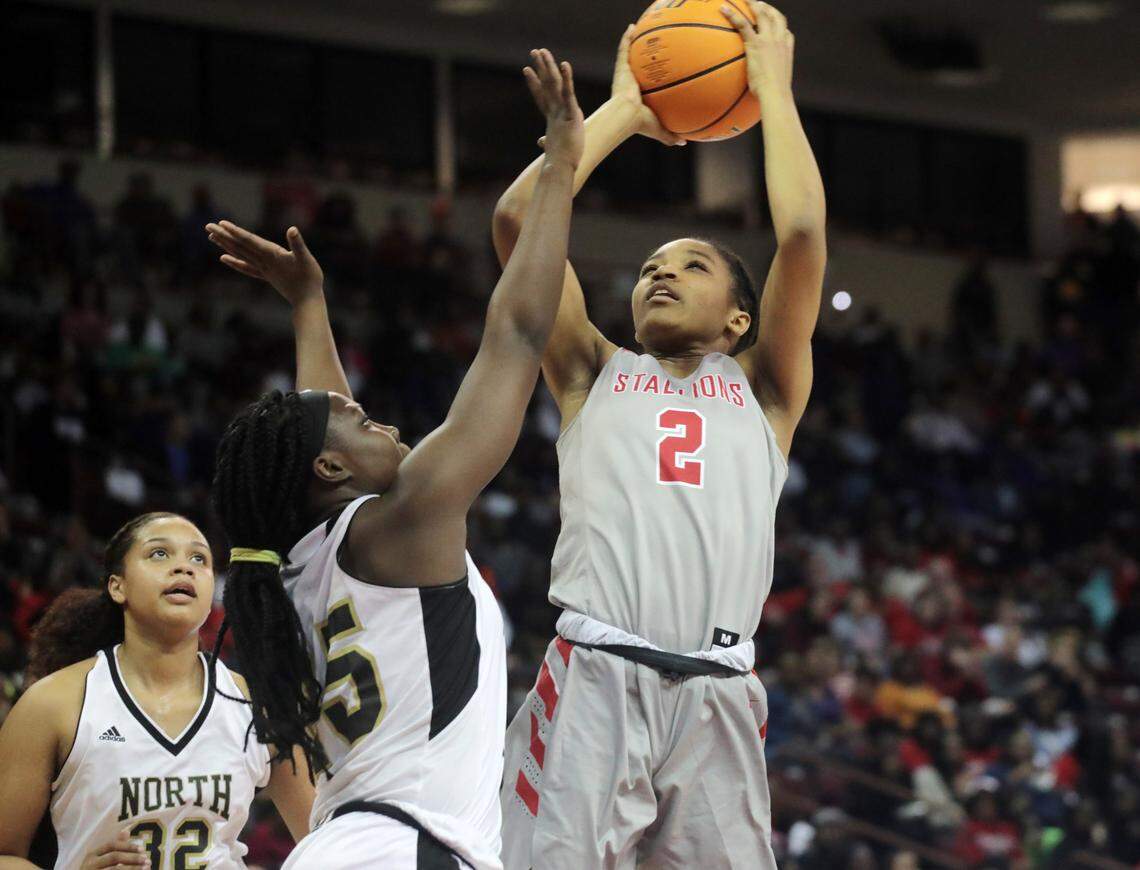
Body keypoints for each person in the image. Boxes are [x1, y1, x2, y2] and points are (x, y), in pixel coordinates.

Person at [203, 50, 583, 870]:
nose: (372, 417)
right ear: (330, 472)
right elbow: (517, 333)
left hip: (348, 846)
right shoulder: (403, 519)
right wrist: (560, 164)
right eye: (356, 417)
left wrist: (311, 308)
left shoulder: (298, 564)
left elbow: (317, 436)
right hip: (406, 850)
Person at [491, 4, 826, 867]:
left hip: (719, 695)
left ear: (740, 317)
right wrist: (627, 110)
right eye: (649, 266)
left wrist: (772, 91)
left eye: (692, 264)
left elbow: (800, 233)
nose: (661, 271)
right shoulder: (590, 371)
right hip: (595, 681)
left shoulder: (767, 391)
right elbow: (516, 223)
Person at [0, 512, 313, 869]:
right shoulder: (52, 703)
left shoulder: (258, 703)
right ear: (118, 586)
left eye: (199, 558)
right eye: (159, 554)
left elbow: (324, 837)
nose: (184, 568)